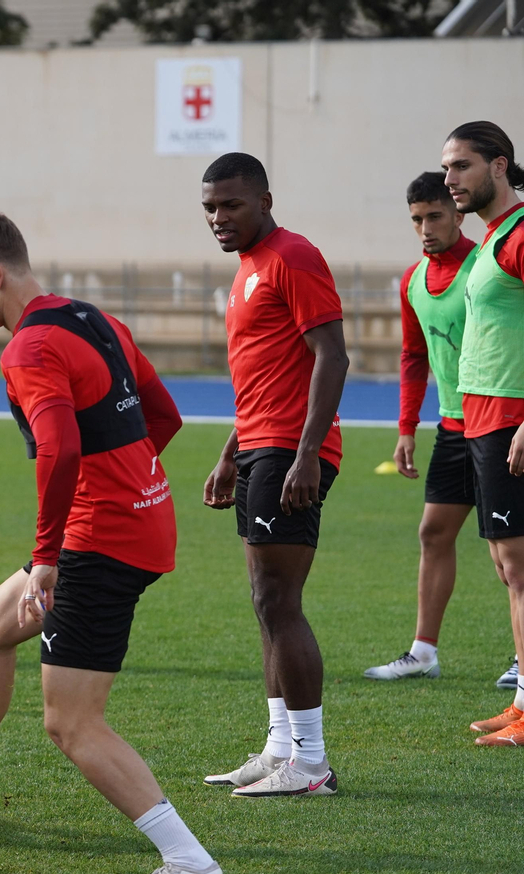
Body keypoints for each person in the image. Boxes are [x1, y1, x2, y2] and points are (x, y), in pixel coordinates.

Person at [0, 206, 222, 874]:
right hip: (132, 522)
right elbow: (164, 416)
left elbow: (60, 449)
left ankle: (191, 863)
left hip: (99, 542)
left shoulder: (27, 349)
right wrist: (127, 487)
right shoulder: (94, 319)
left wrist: (50, 553)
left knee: (71, 721)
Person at [199, 152, 347, 797]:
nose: (218, 217)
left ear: (264, 200)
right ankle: (280, 747)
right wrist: (233, 451)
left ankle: (311, 763)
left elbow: (332, 356)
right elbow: (264, 373)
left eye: (230, 204)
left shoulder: (292, 256)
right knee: (266, 603)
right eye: (209, 207)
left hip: (292, 449)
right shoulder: (247, 271)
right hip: (262, 447)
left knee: (278, 601)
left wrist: (308, 451)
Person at [366, 173, 489, 682]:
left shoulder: (489, 266)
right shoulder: (412, 279)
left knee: (512, 553)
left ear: (458, 214)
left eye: (434, 216)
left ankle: (520, 657)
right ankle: (423, 653)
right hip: (452, 428)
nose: (424, 227)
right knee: (433, 532)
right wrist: (405, 428)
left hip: (501, 423)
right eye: (416, 218)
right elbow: (414, 355)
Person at [439, 121, 524, 746]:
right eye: (446, 168)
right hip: (483, 419)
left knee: (520, 568)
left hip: (512, 417)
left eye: (462, 166)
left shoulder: (520, 235)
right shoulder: (491, 239)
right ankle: (522, 700)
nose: (450, 180)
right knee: (507, 565)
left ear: (499, 167)